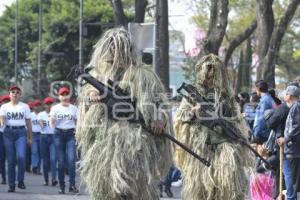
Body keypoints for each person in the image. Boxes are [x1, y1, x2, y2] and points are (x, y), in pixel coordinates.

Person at [76, 27, 172, 200]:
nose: (115, 50)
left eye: (119, 46)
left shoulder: (144, 75)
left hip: (137, 140)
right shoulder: (98, 76)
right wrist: (91, 97)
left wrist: (158, 120)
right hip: (105, 141)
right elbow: (86, 100)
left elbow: (159, 103)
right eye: (111, 45)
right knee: (109, 190)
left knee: (136, 189)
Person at [174, 54, 253, 200]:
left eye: (214, 71)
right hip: (201, 147)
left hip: (224, 145)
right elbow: (180, 118)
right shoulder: (193, 93)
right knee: (200, 190)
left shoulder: (226, 96)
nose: (210, 75)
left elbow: (236, 119)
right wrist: (194, 112)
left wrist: (238, 136)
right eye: (208, 71)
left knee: (227, 187)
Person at [0, 85, 32, 192]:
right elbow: (2, 117)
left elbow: (28, 122)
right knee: (11, 160)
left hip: (21, 133)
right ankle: (11, 185)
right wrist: (2, 122)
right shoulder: (4, 107)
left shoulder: (25, 106)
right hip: (8, 133)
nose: (15, 94)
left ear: (20, 95)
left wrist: (30, 137)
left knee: (21, 157)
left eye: (17, 92)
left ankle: (20, 180)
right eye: (13, 92)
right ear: (9, 94)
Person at [50, 87, 79, 194]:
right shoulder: (55, 108)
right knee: (61, 161)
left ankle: (72, 185)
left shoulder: (74, 108)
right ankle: (62, 186)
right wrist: (52, 121)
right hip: (59, 134)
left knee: (71, 160)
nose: (65, 97)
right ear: (59, 97)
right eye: (62, 95)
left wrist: (79, 131)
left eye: (66, 94)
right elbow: (51, 121)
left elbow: (78, 121)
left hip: (71, 134)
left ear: (69, 96)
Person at [277, 85, 300, 200]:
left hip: (293, 150)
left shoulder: (296, 107)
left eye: (286, 94)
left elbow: (295, 128)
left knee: (291, 177)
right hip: (293, 149)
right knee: (292, 177)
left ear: (289, 96)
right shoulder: (295, 107)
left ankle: (291, 197)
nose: (284, 96)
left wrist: (285, 139)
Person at [38, 97, 57, 186]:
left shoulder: (56, 113)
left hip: (54, 137)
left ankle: (53, 179)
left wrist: (51, 118)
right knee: (45, 160)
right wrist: (49, 119)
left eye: (50, 104)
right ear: (44, 105)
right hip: (44, 137)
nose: (49, 106)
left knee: (53, 159)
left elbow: (56, 124)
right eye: (47, 104)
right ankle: (46, 179)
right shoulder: (41, 114)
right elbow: (42, 126)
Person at [0, 94, 10, 185]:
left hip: (11, 135)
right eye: (4, 101)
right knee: (2, 158)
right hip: (1, 135)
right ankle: (3, 177)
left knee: (11, 158)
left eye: (7, 101)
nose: (6, 103)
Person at [31, 99, 42, 174]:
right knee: (34, 151)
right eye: (36, 105)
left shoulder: (42, 115)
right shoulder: (30, 115)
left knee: (40, 152)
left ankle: (38, 168)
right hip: (33, 134)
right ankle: (34, 166)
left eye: (38, 105)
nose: (37, 107)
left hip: (41, 134)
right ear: (33, 107)